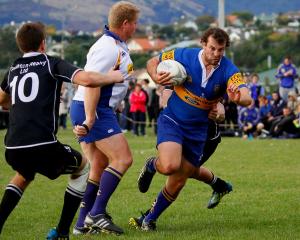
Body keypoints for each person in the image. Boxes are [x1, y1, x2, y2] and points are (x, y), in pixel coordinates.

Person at [0, 22, 123, 240]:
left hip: (13, 147)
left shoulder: (13, 69)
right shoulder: (50, 63)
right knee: (84, 169)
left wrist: (16, 105)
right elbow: (85, 79)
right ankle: (63, 231)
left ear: (20, 46)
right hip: (43, 145)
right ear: (43, 44)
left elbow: (1, 99)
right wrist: (112, 77)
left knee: (23, 175)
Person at [130, 27, 252, 231]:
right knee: (169, 166)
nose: (215, 54)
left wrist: (240, 98)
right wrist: (155, 76)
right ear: (203, 43)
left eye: (220, 50)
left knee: (179, 179)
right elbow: (153, 61)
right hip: (174, 120)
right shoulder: (183, 55)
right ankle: (152, 165)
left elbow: (246, 95)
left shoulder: (229, 70)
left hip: (198, 132)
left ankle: (150, 219)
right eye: (212, 48)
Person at [67, 1, 139, 235]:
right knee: (123, 159)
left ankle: (81, 225)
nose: (136, 27)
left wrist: (115, 103)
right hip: (94, 109)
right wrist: (89, 119)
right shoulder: (108, 47)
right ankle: (96, 213)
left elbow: (109, 80)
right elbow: (91, 82)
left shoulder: (117, 44)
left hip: (100, 108)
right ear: (125, 23)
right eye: (135, 23)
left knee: (98, 165)